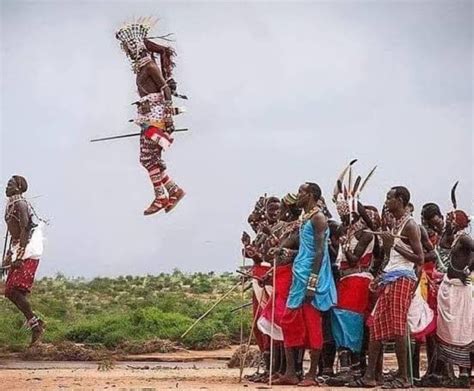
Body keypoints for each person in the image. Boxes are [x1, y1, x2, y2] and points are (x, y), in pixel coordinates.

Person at [350, 186, 424, 389]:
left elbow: (420, 258)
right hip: (391, 278)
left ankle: (404, 377)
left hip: (403, 278)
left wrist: (394, 245)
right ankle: (370, 376)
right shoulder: (396, 225)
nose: (386, 201)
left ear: (400, 200)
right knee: (376, 326)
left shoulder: (410, 225)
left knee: (399, 326)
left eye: (389, 198)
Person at [116, 19, 185, 215]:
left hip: (156, 118)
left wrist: (169, 117)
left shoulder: (149, 67)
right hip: (148, 118)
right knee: (150, 159)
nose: (128, 52)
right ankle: (172, 190)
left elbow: (165, 89)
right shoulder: (142, 67)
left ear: (136, 46)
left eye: (129, 48)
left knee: (147, 158)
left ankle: (162, 195)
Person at [274, 183, 337, 386]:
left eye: (301, 192)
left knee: (312, 325)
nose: (298, 196)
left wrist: (312, 283)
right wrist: (284, 251)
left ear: (310, 195)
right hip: (298, 274)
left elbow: (319, 252)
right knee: (288, 321)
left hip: (311, 276)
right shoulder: (305, 218)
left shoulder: (318, 218)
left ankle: (311, 375)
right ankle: (291, 372)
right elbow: (302, 244)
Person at [2, 176, 45, 346]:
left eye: (10, 184)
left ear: (18, 187)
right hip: (18, 246)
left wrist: (19, 256)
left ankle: (36, 325)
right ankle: (35, 323)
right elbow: (14, 232)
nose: (6, 187)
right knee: (9, 291)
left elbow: (25, 228)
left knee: (13, 289)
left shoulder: (20, 204)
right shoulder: (12, 204)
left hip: (28, 248)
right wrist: (9, 253)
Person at [436, 210, 473, 388]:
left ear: (458, 222)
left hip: (461, 290)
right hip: (450, 289)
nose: (446, 222)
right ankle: (455, 373)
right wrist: (449, 229)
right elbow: (443, 243)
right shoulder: (453, 238)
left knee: (462, 331)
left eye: (450, 220)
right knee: (451, 330)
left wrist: (467, 271)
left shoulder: (465, 239)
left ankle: (464, 373)